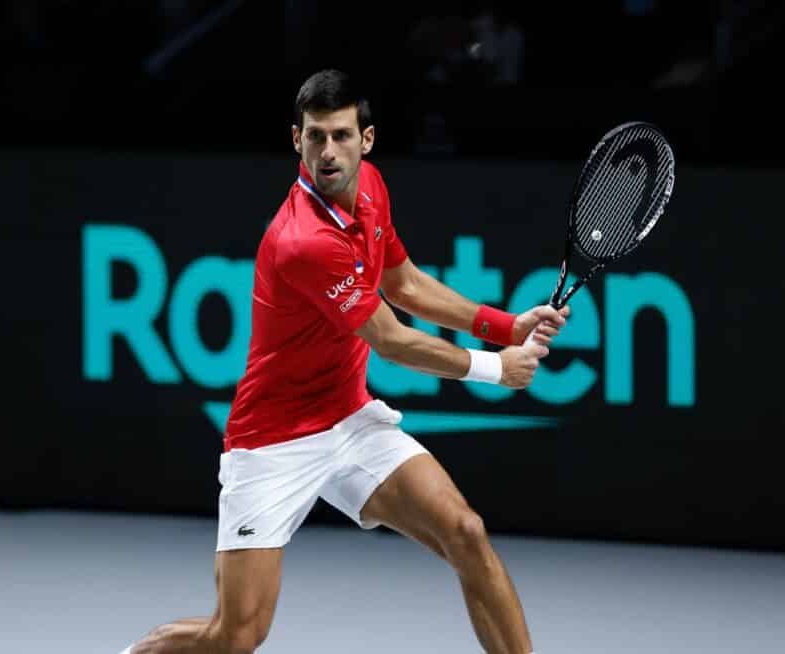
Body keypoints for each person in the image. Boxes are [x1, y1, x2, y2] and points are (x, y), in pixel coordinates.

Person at [122, 69, 570, 654]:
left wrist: (506, 326)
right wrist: (494, 368)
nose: (327, 152)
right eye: (314, 137)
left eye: (339, 135)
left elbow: (405, 284)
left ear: (367, 139)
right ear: (295, 140)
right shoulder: (303, 240)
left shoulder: (373, 189)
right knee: (235, 636)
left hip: (348, 420)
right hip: (273, 442)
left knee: (466, 532)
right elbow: (390, 339)